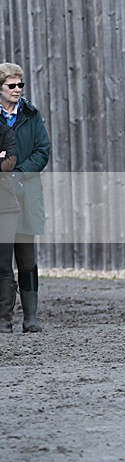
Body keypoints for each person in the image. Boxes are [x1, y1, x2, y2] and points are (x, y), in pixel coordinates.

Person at [0, 63, 51, 332]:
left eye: (21, 84)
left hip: (27, 192)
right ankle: (4, 318)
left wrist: (20, 173)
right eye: (12, 85)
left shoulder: (31, 114)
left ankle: (30, 317)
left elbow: (42, 150)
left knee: (27, 257)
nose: (18, 89)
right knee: (2, 257)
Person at [0, 119, 20, 332]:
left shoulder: (6, 133)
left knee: (4, 264)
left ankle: (4, 319)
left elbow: (9, 163)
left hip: (5, 206)